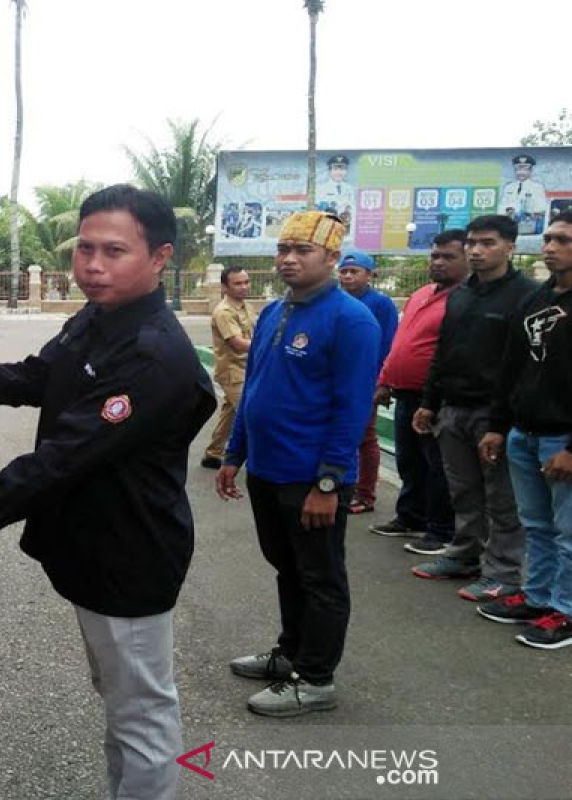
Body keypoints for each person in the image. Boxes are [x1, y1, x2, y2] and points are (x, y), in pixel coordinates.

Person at [0, 185, 216, 800]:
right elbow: (38, 377)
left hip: (131, 557)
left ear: (160, 257)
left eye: (114, 250)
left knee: (142, 714)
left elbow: (57, 464)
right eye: (85, 248)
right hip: (90, 549)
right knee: (122, 703)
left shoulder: (154, 357)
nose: (92, 264)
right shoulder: (99, 319)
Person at [216, 211, 379, 718]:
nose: (288, 259)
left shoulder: (352, 321)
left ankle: (315, 679)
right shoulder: (273, 312)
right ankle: (290, 652)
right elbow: (257, 391)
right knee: (288, 567)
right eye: (283, 249)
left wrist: (329, 483)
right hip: (267, 469)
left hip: (311, 478)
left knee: (321, 576)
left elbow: (352, 409)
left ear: (332, 258)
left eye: (302, 250)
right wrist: (234, 453)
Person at [411, 215, 538, 602]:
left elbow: (523, 365)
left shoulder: (527, 296)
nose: (477, 251)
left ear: (510, 247)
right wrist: (429, 403)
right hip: (453, 409)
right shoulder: (461, 295)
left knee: (501, 497)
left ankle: (503, 572)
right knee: (462, 490)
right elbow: (444, 352)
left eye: (488, 243)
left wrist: (502, 423)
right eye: (472, 243)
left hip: (495, 415)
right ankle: (465, 554)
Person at [477, 208, 572, 649]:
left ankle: (571, 612)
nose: (550, 248)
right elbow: (511, 369)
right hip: (526, 433)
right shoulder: (536, 299)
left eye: (564, 240)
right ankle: (538, 597)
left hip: (568, 440)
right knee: (536, 525)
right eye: (547, 240)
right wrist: (498, 426)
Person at [371, 231, 468, 555]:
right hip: (405, 393)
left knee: (438, 465)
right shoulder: (422, 293)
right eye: (434, 256)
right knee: (409, 461)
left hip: (435, 398)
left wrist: (432, 398)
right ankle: (410, 516)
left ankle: (440, 529)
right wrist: (385, 379)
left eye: (448, 257)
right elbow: (402, 341)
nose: (438, 262)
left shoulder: (465, 299)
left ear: (467, 258)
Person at [336, 249, 399, 514]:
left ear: (370, 275)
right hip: (336, 379)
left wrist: (381, 383)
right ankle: (338, 485)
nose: (348, 276)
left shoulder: (381, 305)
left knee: (364, 436)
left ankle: (365, 495)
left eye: (355, 272)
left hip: (366, 382)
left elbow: (388, 346)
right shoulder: (334, 300)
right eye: (344, 271)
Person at [201, 265, 254, 469]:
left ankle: (213, 454)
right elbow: (237, 343)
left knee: (230, 413)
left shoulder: (245, 306)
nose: (243, 287)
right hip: (232, 371)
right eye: (237, 283)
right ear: (224, 287)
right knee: (250, 413)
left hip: (246, 368)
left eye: (246, 282)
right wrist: (266, 345)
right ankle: (260, 458)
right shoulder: (224, 311)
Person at [499, 154, 549, 234]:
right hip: (510, 225)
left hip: (529, 226)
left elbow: (542, 208)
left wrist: (529, 212)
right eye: (518, 170)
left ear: (530, 171)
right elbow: (502, 207)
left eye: (524, 170)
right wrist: (508, 211)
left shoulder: (537, 187)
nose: (521, 173)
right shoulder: (509, 187)